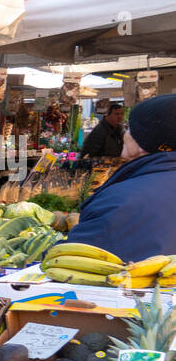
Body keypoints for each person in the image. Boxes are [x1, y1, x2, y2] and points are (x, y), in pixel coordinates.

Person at [63, 94, 176, 261]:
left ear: (143, 143)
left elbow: (71, 258)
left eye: (130, 128)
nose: (125, 133)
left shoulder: (120, 200)